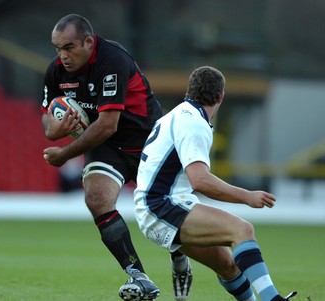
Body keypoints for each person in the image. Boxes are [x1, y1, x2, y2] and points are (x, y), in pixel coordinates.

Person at [134, 66, 297, 301]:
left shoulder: (180, 113)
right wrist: (247, 197)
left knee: (228, 265)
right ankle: (273, 299)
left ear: (190, 90)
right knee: (242, 230)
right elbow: (199, 181)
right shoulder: (194, 124)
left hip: (158, 207)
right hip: (162, 207)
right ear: (220, 95)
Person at [40, 14, 163, 300]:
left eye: (69, 47)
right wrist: (55, 131)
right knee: (96, 199)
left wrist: (64, 154)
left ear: (88, 41)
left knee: (165, 215)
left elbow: (109, 122)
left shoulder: (112, 60)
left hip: (147, 142)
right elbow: (47, 125)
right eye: (57, 48)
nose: (63, 56)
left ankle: (179, 254)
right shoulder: (57, 71)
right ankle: (139, 276)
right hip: (107, 144)